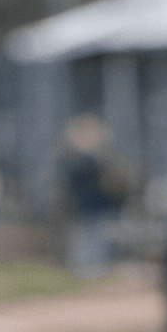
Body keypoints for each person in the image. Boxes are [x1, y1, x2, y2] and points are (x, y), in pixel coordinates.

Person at [56, 113, 131, 278]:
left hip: (104, 219)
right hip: (81, 221)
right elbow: (64, 198)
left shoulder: (107, 160)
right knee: (82, 267)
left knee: (100, 266)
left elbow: (120, 189)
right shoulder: (71, 161)